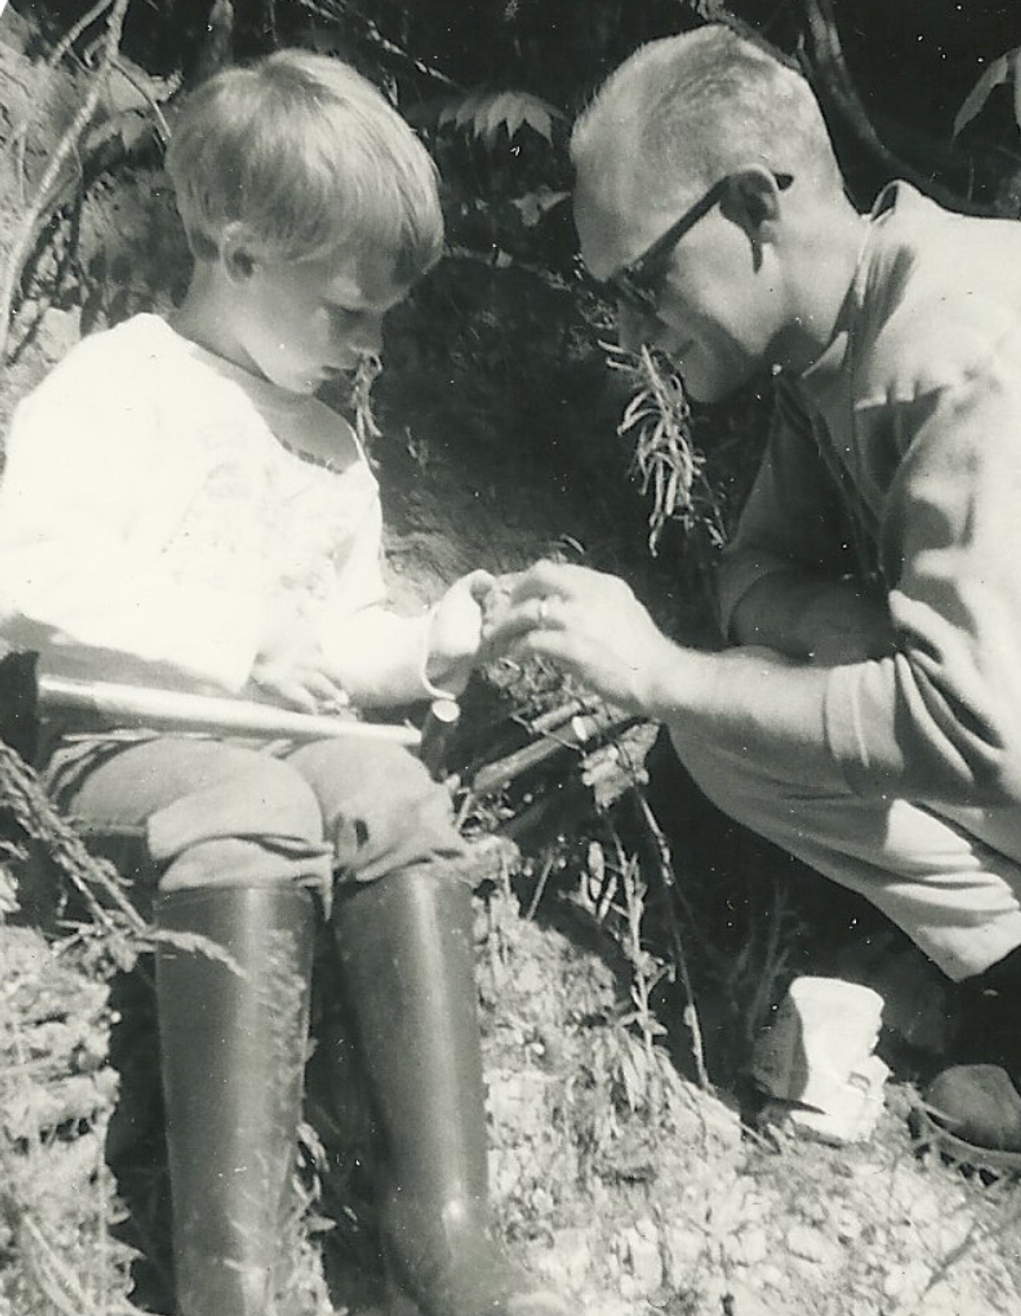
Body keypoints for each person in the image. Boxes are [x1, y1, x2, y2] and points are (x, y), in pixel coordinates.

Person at [482, 23, 1021, 1179]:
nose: (627, 326)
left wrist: (658, 672)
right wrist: (841, 633)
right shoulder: (831, 346)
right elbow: (752, 574)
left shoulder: (958, 341)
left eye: (643, 280)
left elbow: (975, 735)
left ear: (755, 207)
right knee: (729, 728)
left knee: (703, 697)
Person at [0, 51, 570, 1316]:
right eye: (348, 311)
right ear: (241, 251)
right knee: (253, 802)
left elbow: (339, 637)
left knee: (392, 784)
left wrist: (430, 644)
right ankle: (231, 1276)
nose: (369, 345)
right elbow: (28, 575)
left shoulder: (326, 438)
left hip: (268, 737)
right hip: (118, 733)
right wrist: (232, 635)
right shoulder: (123, 385)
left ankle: (448, 1232)